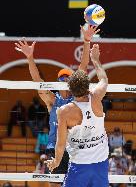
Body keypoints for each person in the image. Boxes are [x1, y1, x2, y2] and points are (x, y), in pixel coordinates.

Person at [15, 25, 100, 187]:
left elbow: (82, 67)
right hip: (54, 149)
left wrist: (86, 41)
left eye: (68, 79)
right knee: (54, 185)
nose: (65, 81)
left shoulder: (77, 99)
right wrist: (30, 57)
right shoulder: (52, 100)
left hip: (75, 149)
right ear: (58, 82)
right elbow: (38, 82)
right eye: (62, 79)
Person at [47, 44, 109, 187]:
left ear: (70, 90)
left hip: (79, 164)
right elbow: (104, 80)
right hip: (101, 162)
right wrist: (96, 59)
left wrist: (56, 161)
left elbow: (61, 143)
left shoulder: (64, 111)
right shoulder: (96, 97)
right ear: (87, 86)